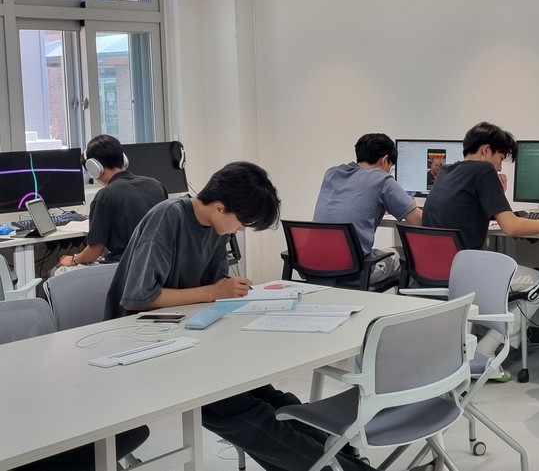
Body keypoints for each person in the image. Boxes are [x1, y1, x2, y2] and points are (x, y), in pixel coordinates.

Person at [105, 161, 426, 471]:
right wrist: (214, 292)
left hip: (191, 335)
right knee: (233, 410)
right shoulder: (168, 217)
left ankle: (344, 459)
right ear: (219, 207)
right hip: (144, 344)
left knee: (271, 399)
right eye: (241, 222)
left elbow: (216, 287)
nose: (240, 229)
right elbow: (140, 298)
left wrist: (232, 294)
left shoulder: (216, 227)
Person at [423, 122, 539, 380]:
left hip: (439, 270)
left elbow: (466, 209)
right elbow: (511, 227)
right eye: (500, 158)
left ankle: (477, 347)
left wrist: (496, 193)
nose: (500, 167)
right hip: (465, 275)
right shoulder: (483, 171)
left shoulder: (446, 171)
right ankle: (485, 353)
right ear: (487, 150)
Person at [313, 133, 423, 283]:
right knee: (406, 255)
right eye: (390, 167)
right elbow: (419, 221)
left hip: (314, 265)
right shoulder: (382, 179)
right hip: (354, 271)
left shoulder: (332, 173)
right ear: (384, 160)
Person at [53, 134, 167, 274]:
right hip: (160, 265)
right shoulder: (156, 185)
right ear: (123, 159)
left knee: (57, 272)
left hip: (126, 269)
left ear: (94, 167)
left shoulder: (104, 196)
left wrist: (73, 259)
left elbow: (94, 252)